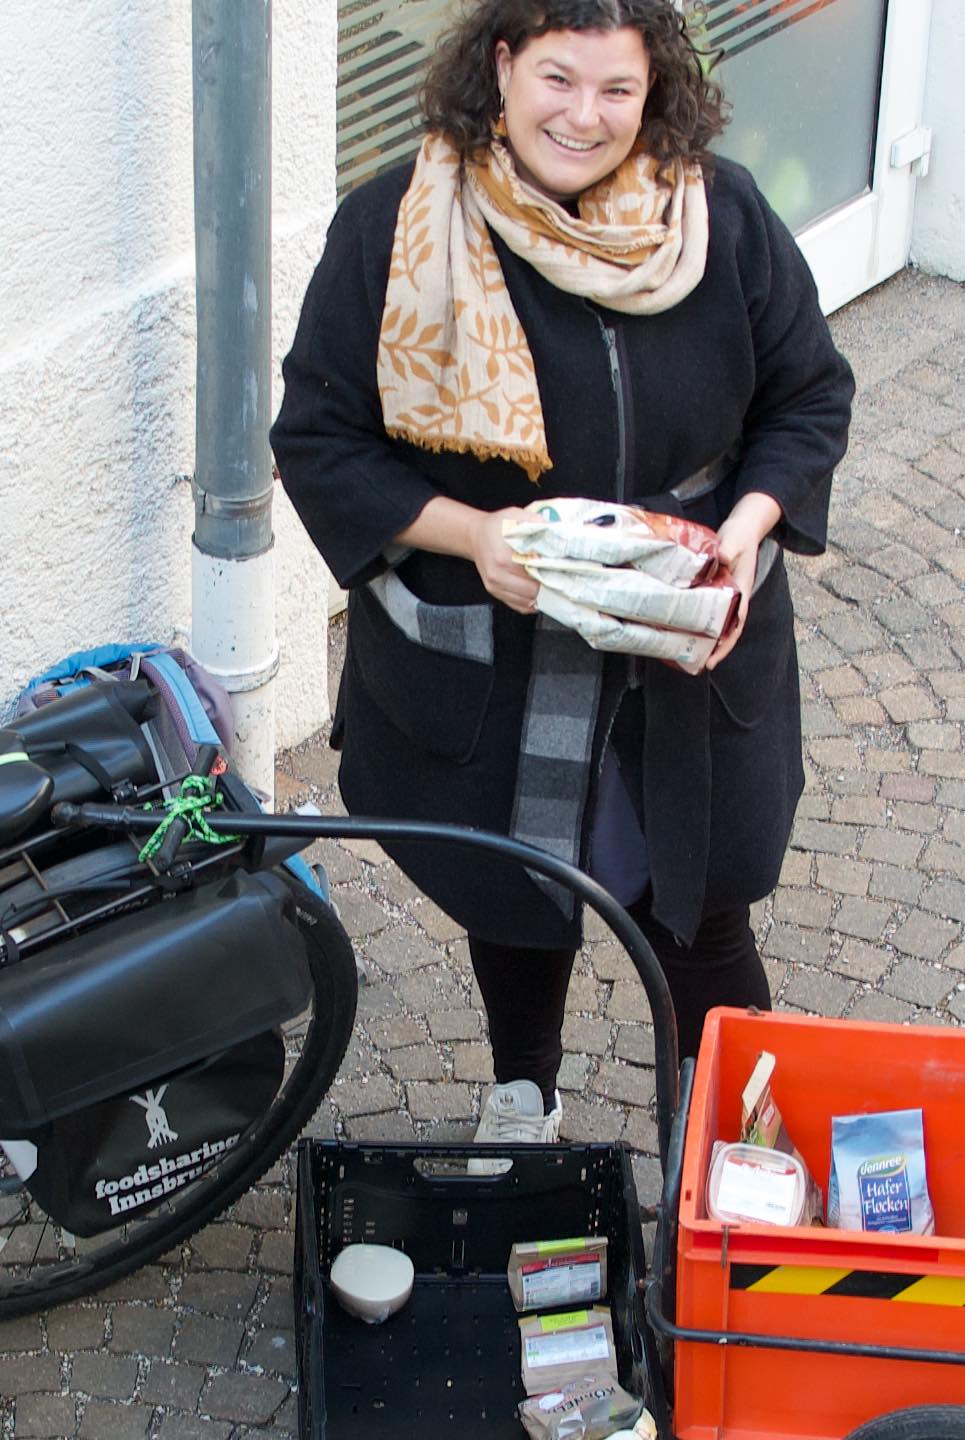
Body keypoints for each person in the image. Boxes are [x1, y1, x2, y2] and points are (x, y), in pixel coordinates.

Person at [272, 0, 853, 1149]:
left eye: (617, 90)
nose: (584, 118)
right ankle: (523, 1096)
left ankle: (734, 1142)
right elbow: (322, 438)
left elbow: (808, 395)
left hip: (685, 633)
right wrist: (476, 538)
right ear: (501, 64)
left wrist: (746, 524)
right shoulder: (399, 223)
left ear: (657, 91)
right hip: (503, 634)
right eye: (557, 79)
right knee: (520, 893)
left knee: (699, 909)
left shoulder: (717, 214)